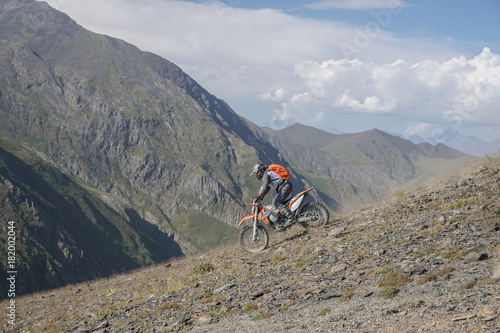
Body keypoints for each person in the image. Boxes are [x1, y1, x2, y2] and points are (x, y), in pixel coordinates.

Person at [250, 163, 294, 229]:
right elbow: (267, 188)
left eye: (257, 173)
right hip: (286, 186)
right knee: (278, 203)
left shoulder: (266, 175)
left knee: (276, 202)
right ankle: (285, 218)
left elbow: (265, 186)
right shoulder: (268, 173)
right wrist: (261, 197)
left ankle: (291, 218)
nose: (257, 175)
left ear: (260, 171)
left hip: (285, 187)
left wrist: (259, 196)